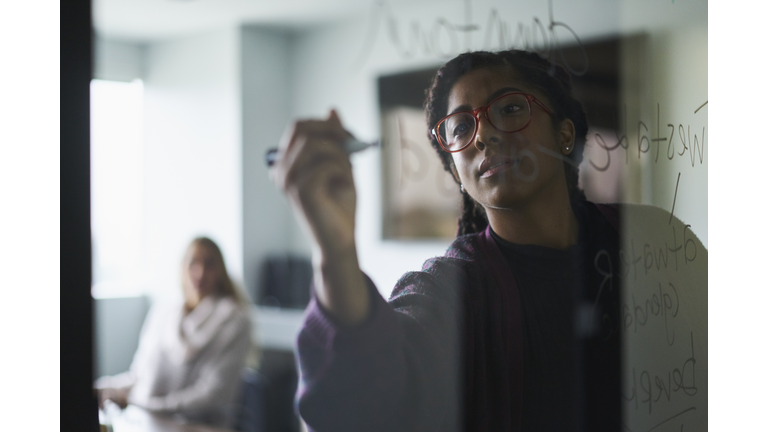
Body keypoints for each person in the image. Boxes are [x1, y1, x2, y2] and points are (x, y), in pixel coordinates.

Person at [272, 50, 624, 431]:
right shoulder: (455, 288)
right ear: (457, 172)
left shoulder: (641, 235)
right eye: (459, 128)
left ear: (565, 134)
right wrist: (336, 253)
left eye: (508, 109)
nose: (484, 134)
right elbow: (365, 407)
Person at [94, 237, 252, 428]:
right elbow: (139, 377)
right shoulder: (163, 314)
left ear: (221, 271)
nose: (200, 272)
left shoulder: (234, 320)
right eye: (193, 262)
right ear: (182, 268)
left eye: (209, 264)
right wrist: (104, 387)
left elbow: (211, 395)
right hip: (148, 422)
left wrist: (139, 404)